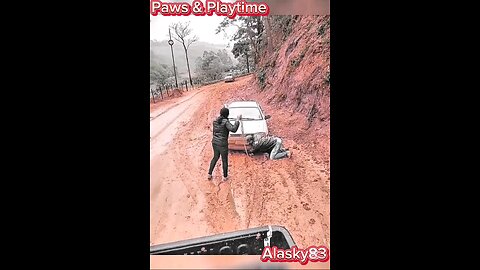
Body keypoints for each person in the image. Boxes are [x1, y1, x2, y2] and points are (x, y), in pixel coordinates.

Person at [208, 107, 242, 181]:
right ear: (227, 114)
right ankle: (225, 177)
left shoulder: (215, 121)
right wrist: (237, 120)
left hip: (214, 142)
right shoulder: (226, 122)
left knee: (215, 157)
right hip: (222, 144)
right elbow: (233, 129)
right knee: (224, 160)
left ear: (220, 113)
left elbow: (214, 132)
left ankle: (209, 174)